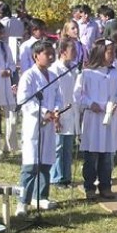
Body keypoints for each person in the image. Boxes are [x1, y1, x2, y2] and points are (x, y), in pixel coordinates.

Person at [74, 39, 117, 200]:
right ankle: (89, 186)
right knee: (92, 155)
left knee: (107, 156)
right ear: (100, 52)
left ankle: (105, 185)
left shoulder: (116, 74)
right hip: (93, 118)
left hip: (109, 118)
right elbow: (78, 95)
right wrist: (90, 103)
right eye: (109, 52)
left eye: (113, 52)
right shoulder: (87, 73)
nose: (112, 55)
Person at [16, 40, 61, 215]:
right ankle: (23, 201)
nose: (51, 57)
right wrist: (44, 112)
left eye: (52, 54)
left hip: (48, 125)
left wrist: (56, 112)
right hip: (34, 124)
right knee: (31, 165)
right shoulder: (28, 76)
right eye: (47, 54)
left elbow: (58, 97)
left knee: (45, 163)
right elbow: (24, 100)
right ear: (36, 56)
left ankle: (41, 196)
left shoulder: (53, 75)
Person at [50, 38, 79, 188]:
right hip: (60, 112)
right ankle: (56, 177)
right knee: (58, 147)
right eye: (72, 50)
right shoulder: (55, 69)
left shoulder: (73, 68)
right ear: (62, 52)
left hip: (71, 111)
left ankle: (66, 177)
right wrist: (56, 114)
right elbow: (55, 92)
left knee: (68, 146)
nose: (75, 53)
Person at [0, 20, 18, 157]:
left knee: (11, 117)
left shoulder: (6, 47)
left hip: (6, 86)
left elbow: (12, 64)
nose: (0, 35)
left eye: (1, 33)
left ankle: (10, 145)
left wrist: (9, 71)